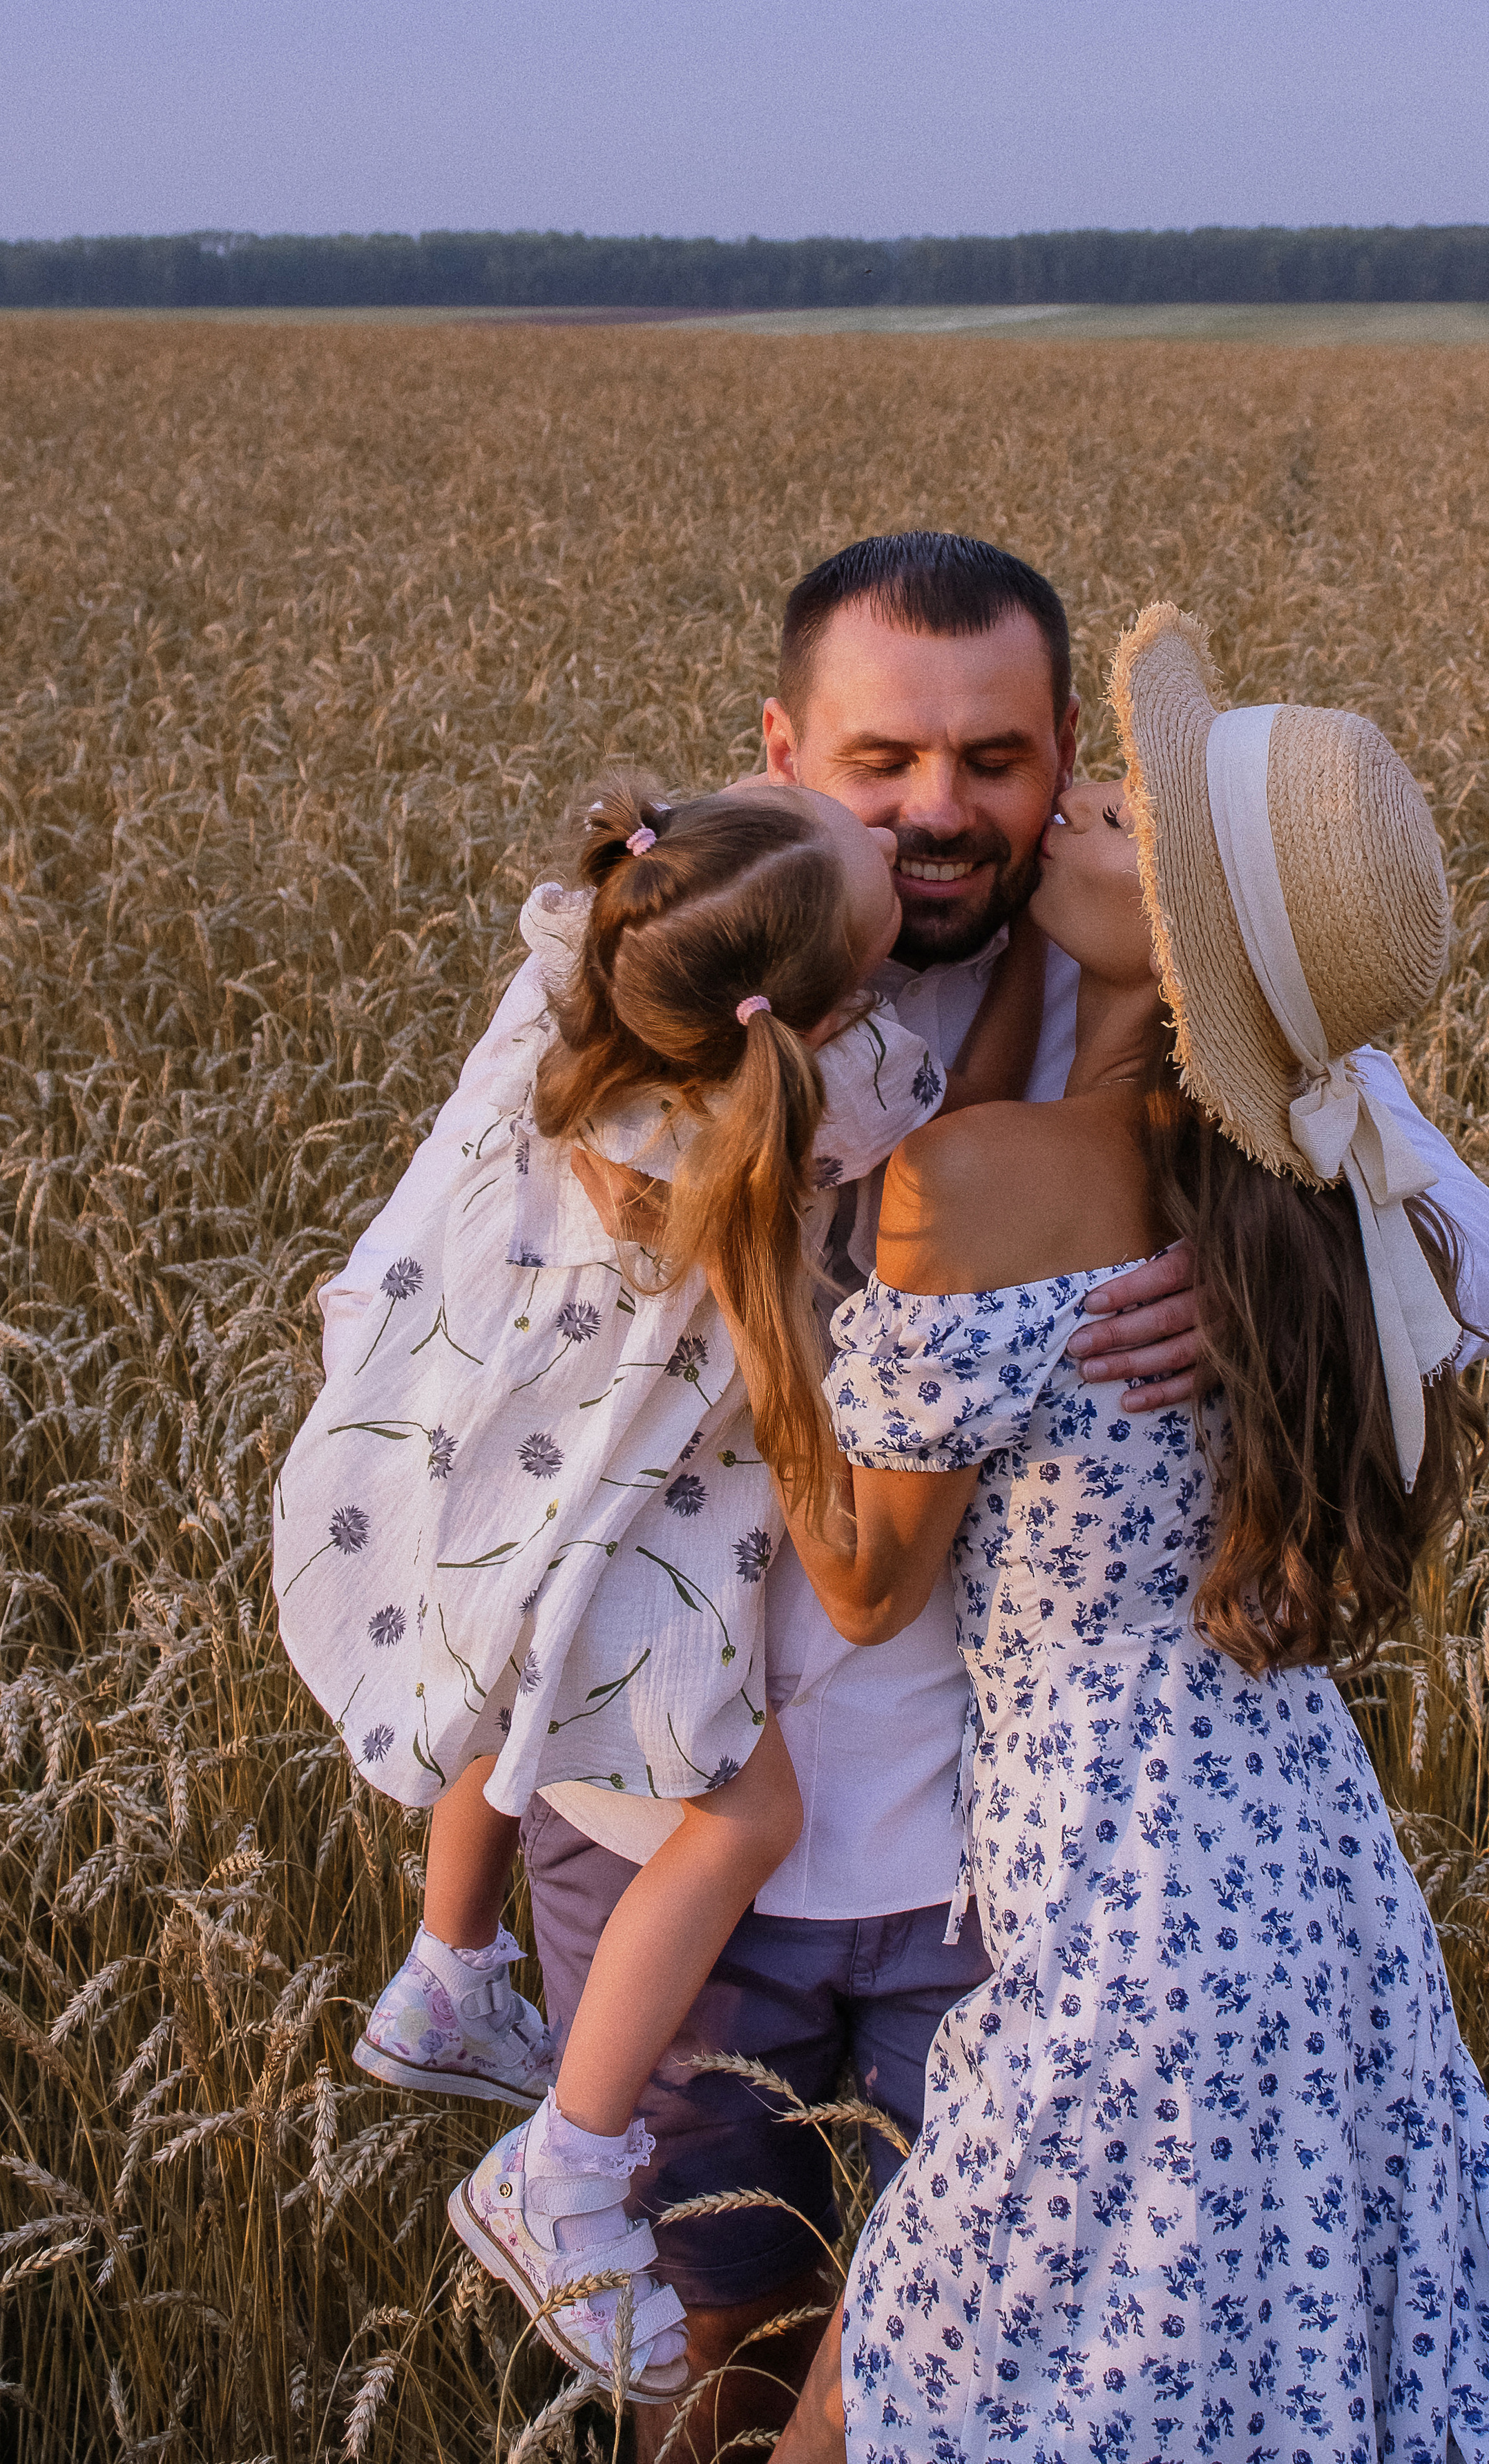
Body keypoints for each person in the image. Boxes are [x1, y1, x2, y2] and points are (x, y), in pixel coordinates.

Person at [327, 535, 1489, 2454]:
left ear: (1064, 760)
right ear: (785, 750)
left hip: (984, 1854)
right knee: (721, 2353)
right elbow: (440, 1325)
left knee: (956, 2379)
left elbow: (1476, 1247)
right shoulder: (675, 961)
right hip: (674, 1834)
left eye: (995, 762)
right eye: (886, 762)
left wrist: (1248, 1257)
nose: (942, 812)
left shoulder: (1189, 1000)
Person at [761, 604, 1489, 2462]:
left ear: (1198, 960)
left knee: (893, 2405)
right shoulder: (1311, 1197)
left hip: (1131, 1913)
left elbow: (870, 1581)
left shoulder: (983, 1179)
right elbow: (1466, 1251)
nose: (1074, 816)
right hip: (1314, 1884)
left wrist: (757, 1285)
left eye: (1125, 831)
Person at [276, 772, 1032, 2395]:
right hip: (614, 1543)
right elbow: (963, 1078)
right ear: (820, 1002)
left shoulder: (586, 991)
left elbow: (594, 912)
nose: (898, 837)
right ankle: (561, 2162)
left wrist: (678, 840)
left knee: (494, 1674)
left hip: (469, 1465)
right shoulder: (841, 1093)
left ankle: (445, 1967)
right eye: (863, 845)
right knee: (735, 1819)